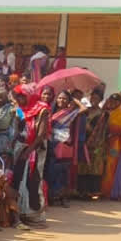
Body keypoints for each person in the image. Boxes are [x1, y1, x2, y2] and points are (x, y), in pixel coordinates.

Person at [14, 86, 51, 226]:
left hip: (36, 149)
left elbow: (41, 135)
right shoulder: (20, 109)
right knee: (20, 180)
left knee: (34, 179)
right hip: (22, 148)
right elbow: (18, 129)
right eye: (18, 96)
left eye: (22, 96)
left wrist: (29, 151)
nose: (20, 99)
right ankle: (23, 212)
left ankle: (36, 215)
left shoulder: (42, 110)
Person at [46, 90, 80, 207]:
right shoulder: (51, 111)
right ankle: (51, 197)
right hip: (51, 143)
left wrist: (75, 99)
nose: (61, 100)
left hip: (63, 143)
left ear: (69, 101)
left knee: (63, 172)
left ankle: (62, 198)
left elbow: (84, 109)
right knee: (51, 171)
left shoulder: (70, 112)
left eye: (65, 98)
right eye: (60, 98)